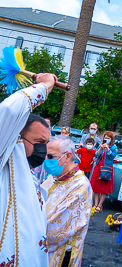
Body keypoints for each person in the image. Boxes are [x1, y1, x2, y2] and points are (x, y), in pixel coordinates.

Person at [0, 73, 57, 266]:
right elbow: (10, 109)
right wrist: (46, 85)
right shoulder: (3, 158)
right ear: (15, 137)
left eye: (46, 143)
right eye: (39, 142)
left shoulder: (28, 174)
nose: (43, 149)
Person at [42, 135, 93, 267]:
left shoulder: (80, 185)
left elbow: (57, 228)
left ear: (68, 156)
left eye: (50, 156)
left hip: (62, 254)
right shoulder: (53, 178)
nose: (46, 160)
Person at [90, 131, 118, 212]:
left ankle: (100, 204)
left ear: (111, 139)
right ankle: (95, 204)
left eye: (108, 138)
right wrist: (101, 148)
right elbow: (96, 155)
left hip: (106, 168)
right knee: (96, 187)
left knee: (104, 187)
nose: (106, 139)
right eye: (105, 138)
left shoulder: (114, 147)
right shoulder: (101, 145)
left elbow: (112, 156)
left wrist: (108, 148)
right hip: (98, 167)